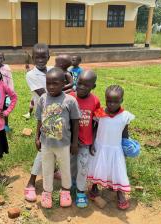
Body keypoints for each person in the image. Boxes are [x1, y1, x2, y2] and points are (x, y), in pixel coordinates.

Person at [35, 67, 81, 208]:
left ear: (63, 84)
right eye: (48, 83)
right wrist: (37, 137)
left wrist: (74, 143)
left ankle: (65, 191)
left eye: (55, 83)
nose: (51, 86)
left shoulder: (70, 101)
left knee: (65, 168)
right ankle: (47, 192)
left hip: (64, 144)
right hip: (46, 143)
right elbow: (39, 120)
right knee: (47, 168)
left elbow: (75, 122)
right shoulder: (43, 99)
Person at [87, 85, 135, 210]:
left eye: (116, 101)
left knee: (117, 170)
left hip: (115, 148)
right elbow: (95, 129)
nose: (112, 104)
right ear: (105, 99)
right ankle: (94, 188)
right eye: (109, 101)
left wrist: (126, 148)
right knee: (97, 167)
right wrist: (92, 143)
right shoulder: (100, 113)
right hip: (100, 146)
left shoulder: (125, 116)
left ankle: (120, 193)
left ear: (122, 100)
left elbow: (125, 134)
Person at [24, 43, 53, 202]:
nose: (40, 60)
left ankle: (53, 170)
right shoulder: (31, 75)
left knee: (58, 145)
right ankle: (31, 182)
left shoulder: (53, 70)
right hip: (44, 115)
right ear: (32, 58)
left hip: (59, 113)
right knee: (43, 148)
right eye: (37, 57)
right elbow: (45, 95)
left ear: (49, 57)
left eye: (43, 57)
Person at [69, 70, 100, 208]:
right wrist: (71, 141)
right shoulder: (69, 97)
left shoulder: (95, 101)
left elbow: (96, 123)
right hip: (69, 142)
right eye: (79, 83)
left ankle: (81, 191)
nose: (81, 87)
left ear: (93, 86)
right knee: (70, 165)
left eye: (86, 85)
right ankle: (70, 185)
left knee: (83, 166)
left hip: (85, 143)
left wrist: (92, 141)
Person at [0, 52, 14, 132]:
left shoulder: (6, 68)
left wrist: (10, 95)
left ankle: (5, 125)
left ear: (3, 59)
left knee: (5, 111)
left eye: (0, 57)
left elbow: (10, 82)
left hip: (5, 95)